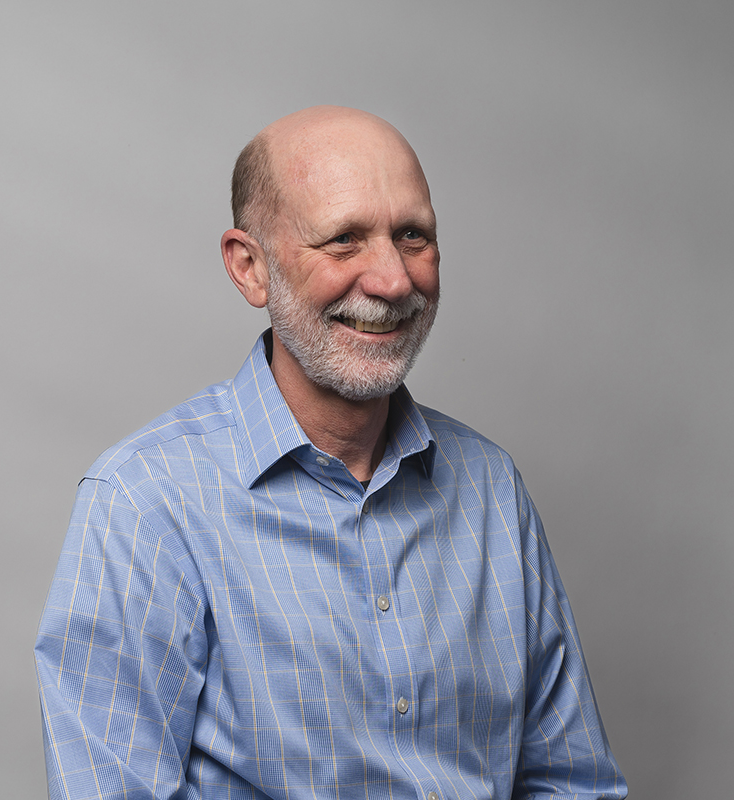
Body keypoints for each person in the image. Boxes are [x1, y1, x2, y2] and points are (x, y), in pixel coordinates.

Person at [35, 106, 627, 800]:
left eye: (413, 236)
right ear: (250, 268)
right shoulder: (144, 502)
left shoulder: (491, 487)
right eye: (343, 240)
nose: (393, 280)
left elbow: (572, 785)